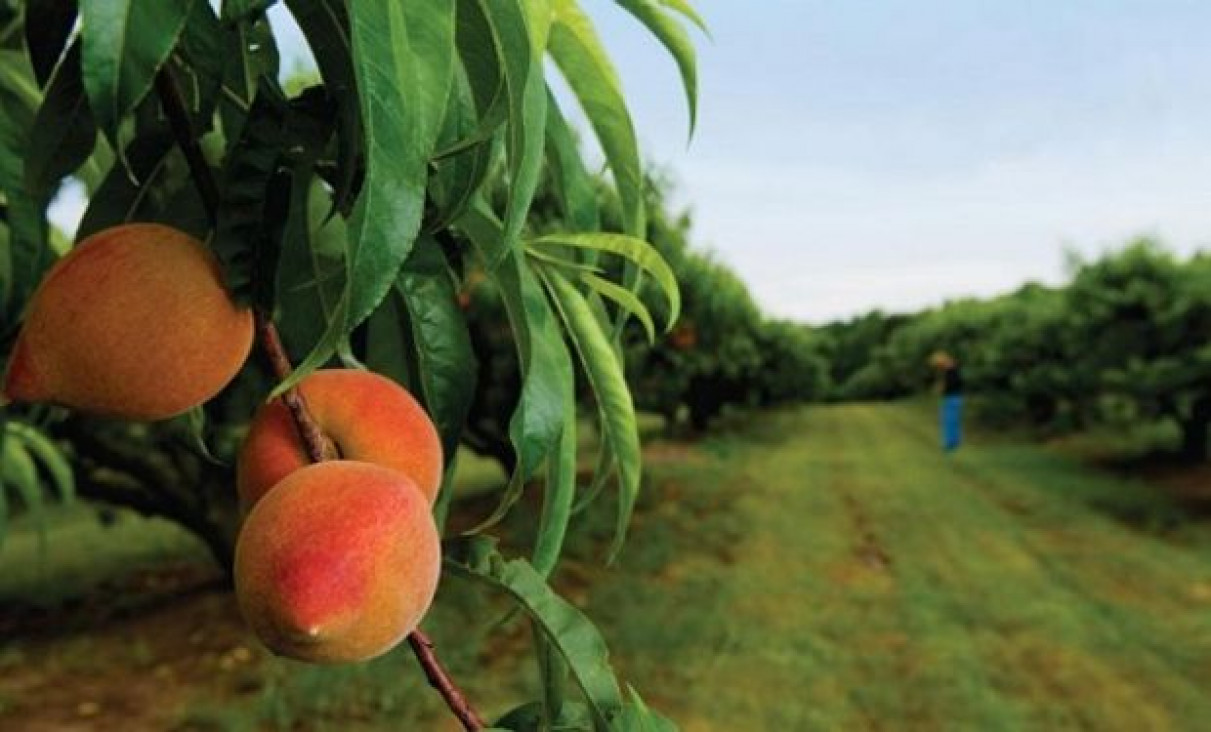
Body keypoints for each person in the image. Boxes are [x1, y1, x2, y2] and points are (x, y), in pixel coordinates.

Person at [929, 352, 963, 452]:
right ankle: (954, 442)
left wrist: (941, 388)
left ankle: (949, 444)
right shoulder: (954, 370)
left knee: (949, 421)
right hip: (955, 397)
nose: (939, 368)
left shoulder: (951, 371)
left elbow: (951, 385)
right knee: (953, 421)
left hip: (951, 398)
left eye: (938, 365)